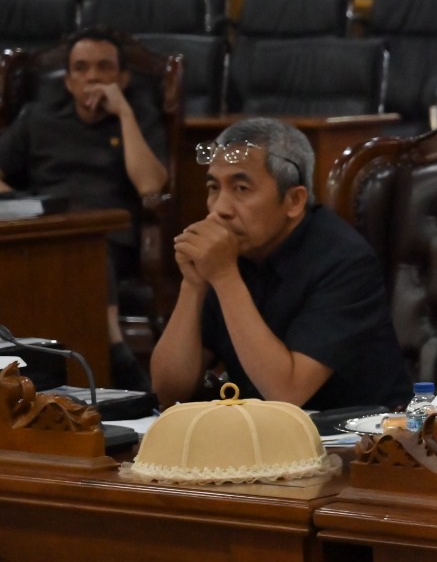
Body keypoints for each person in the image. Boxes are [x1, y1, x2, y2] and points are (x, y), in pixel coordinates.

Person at [149, 118, 411, 410]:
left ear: (294, 201)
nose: (219, 209)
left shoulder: (345, 261)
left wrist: (224, 277)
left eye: (241, 188)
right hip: (258, 432)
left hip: (359, 433)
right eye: (213, 188)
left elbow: (287, 395)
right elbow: (168, 393)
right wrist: (193, 284)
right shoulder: (227, 254)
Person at [0, 29, 168, 389]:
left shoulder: (138, 117)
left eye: (104, 67)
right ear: (68, 80)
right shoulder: (38, 119)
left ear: (123, 78)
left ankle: (113, 349)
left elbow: (150, 185)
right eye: (81, 68)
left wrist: (124, 113)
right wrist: (20, 203)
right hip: (47, 228)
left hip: (111, 237)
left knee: (91, 248)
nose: (93, 77)